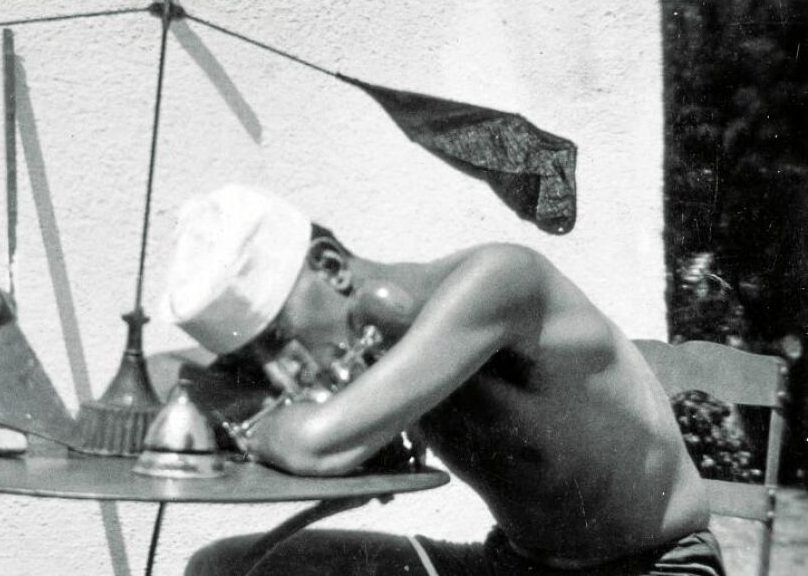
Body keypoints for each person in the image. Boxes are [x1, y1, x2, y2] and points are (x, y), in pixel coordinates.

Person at [161, 184, 724, 575]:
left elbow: (317, 444)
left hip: (654, 568)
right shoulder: (382, 348)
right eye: (255, 359)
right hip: (512, 567)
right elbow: (169, 372)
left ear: (331, 266)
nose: (283, 373)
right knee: (224, 569)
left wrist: (248, 418)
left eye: (279, 339)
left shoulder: (500, 281)